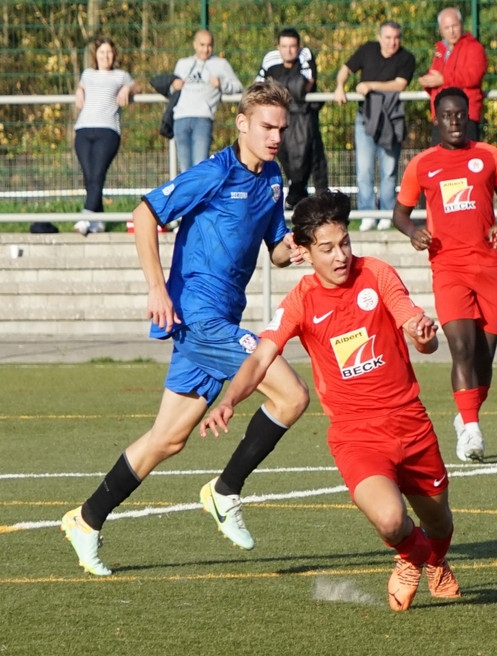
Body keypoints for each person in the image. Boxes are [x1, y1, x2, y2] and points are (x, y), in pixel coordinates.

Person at [60, 81, 311, 577]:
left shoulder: (272, 177)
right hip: (198, 317)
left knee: (168, 439)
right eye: (267, 127)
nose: (276, 137)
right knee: (292, 395)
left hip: (220, 320)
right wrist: (157, 289)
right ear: (242, 123)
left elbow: (276, 250)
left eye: (282, 128)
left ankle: (85, 519)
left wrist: (294, 249)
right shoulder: (214, 172)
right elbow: (144, 214)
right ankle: (224, 490)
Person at [200, 190, 461, 612]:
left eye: (345, 243)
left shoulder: (376, 273)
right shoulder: (300, 301)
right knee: (391, 520)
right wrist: (229, 399)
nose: (340, 256)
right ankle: (412, 557)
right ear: (303, 252)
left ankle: (435, 560)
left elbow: (413, 324)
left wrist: (423, 336)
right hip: (357, 436)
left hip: (411, 423)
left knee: (440, 522)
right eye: (327, 248)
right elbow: (261, 357)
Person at [392, 87, 497, 462]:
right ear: (436, 119)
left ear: (468, 117)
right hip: (447, 267)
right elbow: (399, 214)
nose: (454, 121)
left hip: (488, 267)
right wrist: (413, 231)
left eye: (460, 115)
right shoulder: (422, 165)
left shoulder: (489, 156)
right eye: (447, 115)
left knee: (484, 361)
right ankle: (473, 433)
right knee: (461, 348)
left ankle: (465, 418)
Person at [333, 20, 415, 232]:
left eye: (396, 38)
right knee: (364, 170)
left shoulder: (406, 57)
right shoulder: (367, 49)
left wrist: (370, 85)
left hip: (391, 119)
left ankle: (387, 214)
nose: (392, 42)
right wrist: (340, 87)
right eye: (387, 37)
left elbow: (399, 84)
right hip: (365, 118)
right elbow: (345, 69)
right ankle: (367, 214)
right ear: (379, 38)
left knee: (388, 171)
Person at [72, 37, 141, 235]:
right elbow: (81, 86)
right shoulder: (88, 74)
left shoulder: (121, 75)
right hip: (84, 130)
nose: (105, 56)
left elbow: (138, 87)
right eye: (102, 52)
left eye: (109, 52)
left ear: (114, 55)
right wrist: (79, 90)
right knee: (90, 177)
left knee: (97, 175)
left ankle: (86, 217)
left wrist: (127, 88)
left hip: (107, 130)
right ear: (96, 55)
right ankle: (98, 220)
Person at [256, 27, 329, 210]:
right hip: (280, 119)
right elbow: (258, 88)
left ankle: (316, 202)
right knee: (285, 160)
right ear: (278, 47)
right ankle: (296, 197)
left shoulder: (306, 55)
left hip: (304, 118)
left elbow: (305, 85)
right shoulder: (269, 60)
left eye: (292, 46)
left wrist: (277, 89)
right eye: (284, 46)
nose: (288, 51)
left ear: (298, 47)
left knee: (311, 161)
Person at [170, 29, 243, 172]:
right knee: (185, 169)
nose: (206, 49)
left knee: (200, 166)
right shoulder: (183, 64)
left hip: (202, 118)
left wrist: (221, 84)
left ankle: (201, 188)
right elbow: (171, 91)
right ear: (195, 45)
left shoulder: (220, 64)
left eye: (209, 45)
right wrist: (173, 86)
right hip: (180, 118)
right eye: (202, 45)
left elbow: (238, 87)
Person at [417, 7, 488, 144]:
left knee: (464, 155)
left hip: (465, 116)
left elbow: (473, 76)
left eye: (454, 26)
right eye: (447, 27)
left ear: (461, 24)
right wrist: (428, 82)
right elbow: (436, 77)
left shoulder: (474, 48)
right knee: (439, 155)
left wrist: (443, 79)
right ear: (441, 30)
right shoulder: (441, 50)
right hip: (441, 116)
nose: (451, 31)